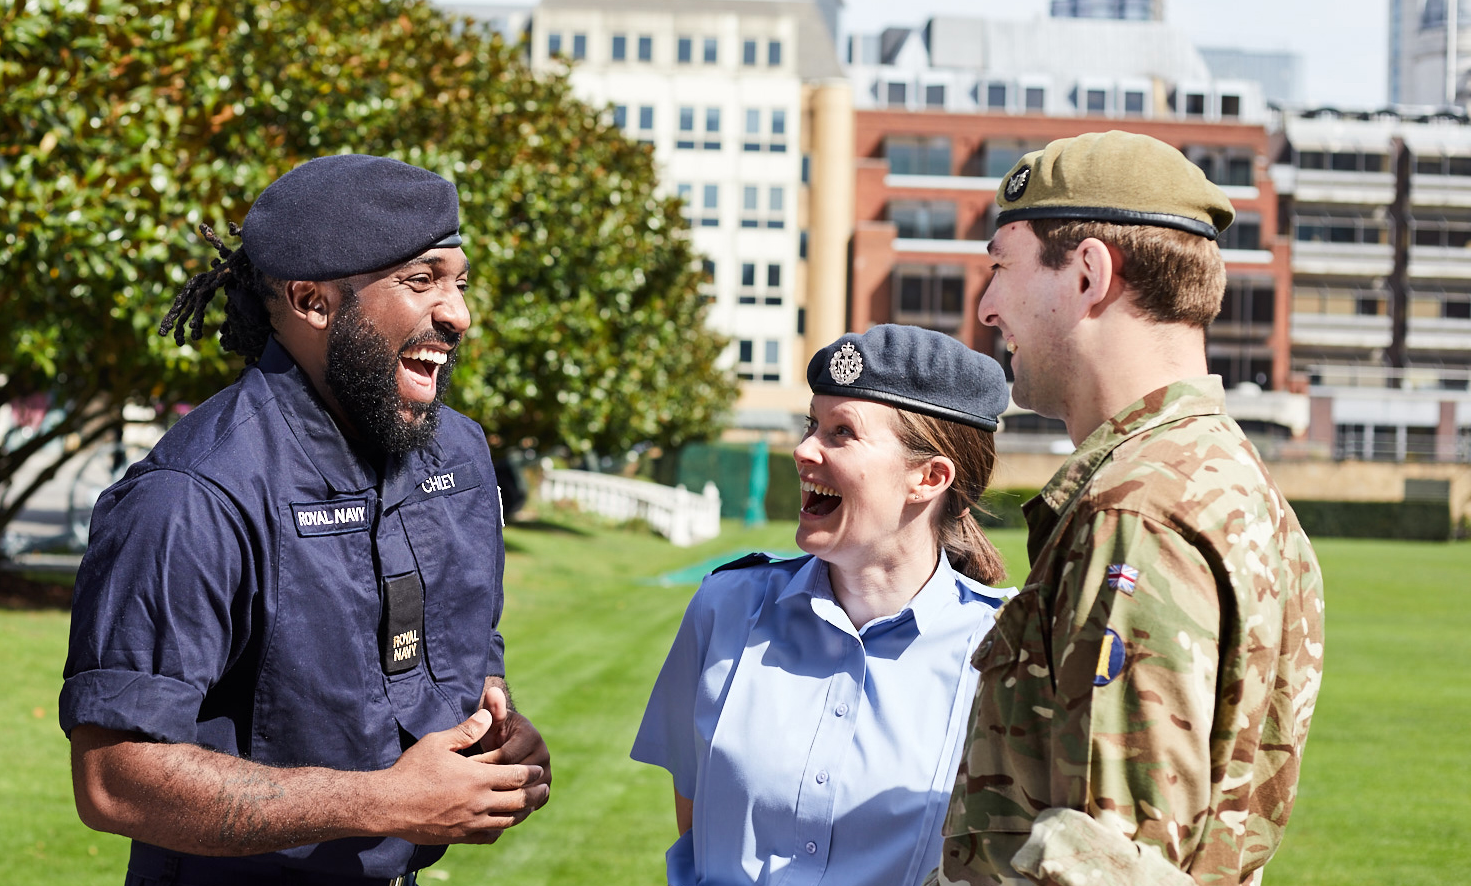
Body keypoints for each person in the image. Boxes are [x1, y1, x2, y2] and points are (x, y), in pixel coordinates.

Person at [60, 154, 550, 886]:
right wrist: (386, 802)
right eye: (421, 281)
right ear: (311, 301)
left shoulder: (460, 454)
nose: (458, 313)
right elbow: (113, 778)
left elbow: (467, 646)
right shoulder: (194, 495)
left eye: (459, 281)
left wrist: (492, 736)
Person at [933, 130, 1325, 886]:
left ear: (1087, 275)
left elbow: (1105, 866)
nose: (985, 307)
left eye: (1000, 269)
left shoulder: (1135, 510)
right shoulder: (1230, 482)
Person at [633, 324, 1016, 886]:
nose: (804, 448)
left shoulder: (1001, 649)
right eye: (813, 424)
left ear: (928, 478)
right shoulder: (727, 609)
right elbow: (694, 824)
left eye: (841, 432)